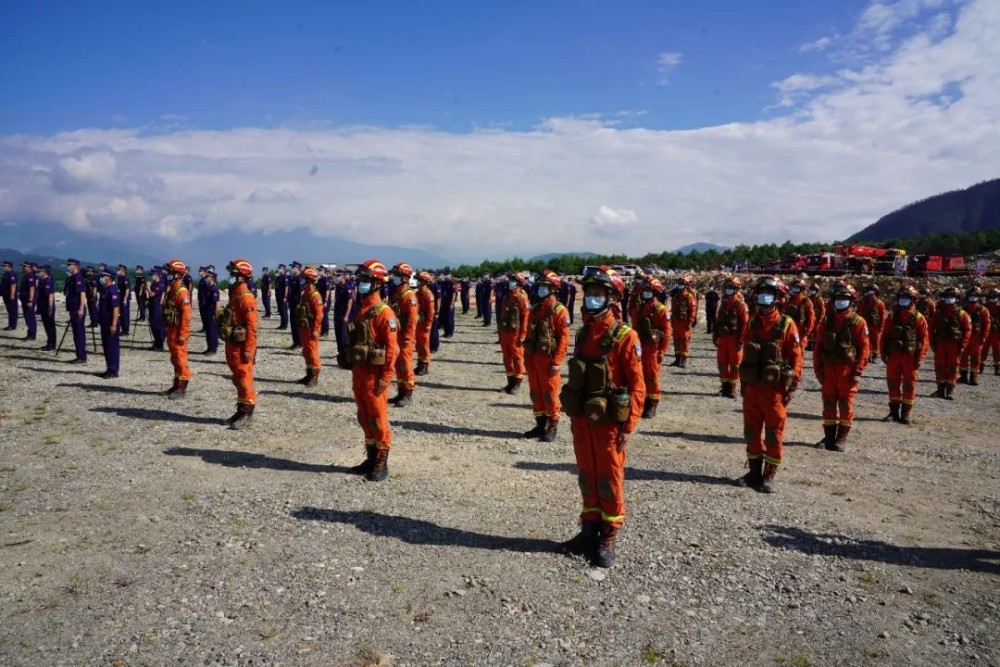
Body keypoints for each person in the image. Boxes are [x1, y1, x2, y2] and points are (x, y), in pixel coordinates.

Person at [558, 266, 644, 568]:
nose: (592, 298)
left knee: (609, 479)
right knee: (587, 476)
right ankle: (588, 530)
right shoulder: (584, 333)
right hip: (583, 421)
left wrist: (628, 425)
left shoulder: (624, 336)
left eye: (598, 293)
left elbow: (637, 385)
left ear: (612, 297)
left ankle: (608, 536)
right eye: (589, 292)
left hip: (609, 425)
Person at [735, 276, 802, 491]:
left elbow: (796, 357)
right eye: (761, 294)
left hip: (774, 390)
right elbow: (746, 354)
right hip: (753, 388)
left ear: (778, 298)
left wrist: (792, 385)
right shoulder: (753, 323)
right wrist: (743, 383)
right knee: (751, 431)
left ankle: (769, 475)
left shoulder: (786, 324)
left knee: (773, 433)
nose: (763, 299)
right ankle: (754, 473)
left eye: (769, 294)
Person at [343, 260, 399, 482]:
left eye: (365, 281)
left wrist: (386, 378)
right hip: (360, 375)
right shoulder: (363, 310)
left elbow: (392, 349)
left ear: (377, 284)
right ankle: (371, 456)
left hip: (375, 377)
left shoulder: (385, 314)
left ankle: (382, 461)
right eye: (360, 280)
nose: (361, 284)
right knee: (364, 418)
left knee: (378, 418)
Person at [812, 282, 869, 451]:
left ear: (851, 301)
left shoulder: (858, 322)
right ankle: (829, 437)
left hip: (847, 371)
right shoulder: (827, 321)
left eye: (845, 298)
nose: (841, 301)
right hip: (829, 369)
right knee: (828, 404)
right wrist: (818, 369)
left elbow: (864, 348)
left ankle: (841, 438)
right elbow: (818, 346)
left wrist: (858, 371)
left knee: (845, 404)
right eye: (838, 298)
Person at [522, 270, 570, 441]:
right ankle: (540, 424)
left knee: (550, 393)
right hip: (533, 359)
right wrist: (526, 357)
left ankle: (552, 425)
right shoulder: (535, 309)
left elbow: (564, 339)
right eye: (540, 286)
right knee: (536, 393)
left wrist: (557, 362)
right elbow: (529, 334)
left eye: (545, 287)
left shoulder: (559, 311)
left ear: (553, 289)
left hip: (548, 361)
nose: (541, 289)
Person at [881, 286, 929, 425]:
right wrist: (883, 353)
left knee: (909, 385)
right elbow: (884, 336)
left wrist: (920, 357)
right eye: (902, 298)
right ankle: (893, 413)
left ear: (913, 300)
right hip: (894, 356)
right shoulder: (892, 316)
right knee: (893, 383)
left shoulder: (919, 318)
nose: (903, 301)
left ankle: (905, 414)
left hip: (911, 357)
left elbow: (924, 339)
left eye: (907, 298)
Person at [220, 259, 259, 429]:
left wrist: (250, 349)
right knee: (238, 378)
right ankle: (241, 408)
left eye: (233, 275)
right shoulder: (235, 295)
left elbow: (252, 327)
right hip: (233, 344)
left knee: (244, 378)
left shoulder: (246, 298)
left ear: (242, 277)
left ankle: (247, 412)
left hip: (242, 346)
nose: (230, 278)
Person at [630, 277, 670, 417]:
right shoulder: (641, 307)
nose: (645, 293)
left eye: (648, 290)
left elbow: (666, 332)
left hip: (653, 349)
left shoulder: (661, 309)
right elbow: (633, 318)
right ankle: (642, 401)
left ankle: (652, 404)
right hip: (640, 347)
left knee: (652, 377)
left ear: (655, 292)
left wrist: (662, 351)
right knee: (639, 375)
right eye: (644, 290)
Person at [929, 287, 971, 400]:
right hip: (940, 344)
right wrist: (932, 343)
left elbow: (967, 330)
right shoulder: (939, 313)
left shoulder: (962, 314)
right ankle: (940, 390)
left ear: (957, 299)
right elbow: (931, 328)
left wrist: (962, 345)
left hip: (954, 345)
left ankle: (950, 391)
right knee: (939, 367)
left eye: (952, 297)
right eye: (947, 297)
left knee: (953, 367)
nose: (949, 300)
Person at [388, 262, 419, 407]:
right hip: (396, 335)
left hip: (405, 336)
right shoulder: (396, 293)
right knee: (398, 364)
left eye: (397, 275)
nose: (394, 277)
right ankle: (401, 390)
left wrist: (408, 337)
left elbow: (412, 320)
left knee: (406, 364)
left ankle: (408, 392)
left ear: (405, 278)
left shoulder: (409, 296)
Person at [713, 276, 749, 399]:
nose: (728, 289)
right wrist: (715, 335)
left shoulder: (741, 305)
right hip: (723, 338)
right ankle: (724, 387)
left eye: (731, 287)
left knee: (735, 365)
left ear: (736, 288)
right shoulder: (723, 303)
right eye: (727, 287)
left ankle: (732, 389)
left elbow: (744, 324)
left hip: (734, 339)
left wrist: (741, 340)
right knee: (722, 364)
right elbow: (718, 320)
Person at [163, 259, 192, 398]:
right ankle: (176, 383)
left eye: (170, 272)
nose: (167, 274)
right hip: (172, 329)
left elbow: (186, 315)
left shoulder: (182, 292)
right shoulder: (173, 289)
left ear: (177, 274)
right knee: (175, 358)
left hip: (179, 330)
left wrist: (182, 334)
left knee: (181, 359)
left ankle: (182, 386)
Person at [499, 272, 530, 394]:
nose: (510, 282)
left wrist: (523, 335)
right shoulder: (507, 297)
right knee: (507, 358)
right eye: (510, 280)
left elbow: (525, 318)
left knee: (517, 359)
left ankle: (517, 383)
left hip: (516, 334)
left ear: (518, 283)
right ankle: (510, 382)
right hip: (505, 332)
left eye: (513, 280)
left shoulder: (522, 298)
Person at [296, 267, 325, 386]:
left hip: (312, 328)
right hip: (304, 327)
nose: (302, 281)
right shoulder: (305, 294)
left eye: (304, 279)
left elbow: (319, 315)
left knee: (313, 352)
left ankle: (315, 376)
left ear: (310, 280)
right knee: (306, 352)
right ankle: (309, 374)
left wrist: (316, 330)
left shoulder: (315, 296)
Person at [958, 286, 991, 386]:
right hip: (965, 337)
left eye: (975, 296)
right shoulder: (962, 309)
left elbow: (987, 324)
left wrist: (984, 337)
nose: (973, 298)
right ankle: (963, 376)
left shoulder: (983, 310)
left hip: (977, 337)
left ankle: (973, 377)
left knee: (975, 357)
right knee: (963, 356)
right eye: (971, 296)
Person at [97, 269, 121, 379]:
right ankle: (109, 368)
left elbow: (116, 309)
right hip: (104, 321)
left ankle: (113, 370)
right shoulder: (105, 290)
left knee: (112, 346)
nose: (102, 278)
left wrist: (114, 324)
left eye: (104, 276)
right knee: (106, 346)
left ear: (109, 278)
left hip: (111, 322)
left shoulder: (113, 290)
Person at [669, 275, 697, 368]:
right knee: (676, 340)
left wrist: (690, 321)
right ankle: (677, 360)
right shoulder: (675, 295)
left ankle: (684, 360)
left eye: (681, 284)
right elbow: (673, 309)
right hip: (676, 321)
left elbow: (692, 310)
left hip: (684, 322)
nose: (679, 285)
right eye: (679, 283)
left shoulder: (689, 296)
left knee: (684, 341)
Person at [63, 259, 88, 363]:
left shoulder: (78, 278)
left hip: (78, 307)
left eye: (70, 265)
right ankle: (79, 355)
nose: (68, 266)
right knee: (76, 332)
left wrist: (81, 308)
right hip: (73, 307)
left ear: (76, 266)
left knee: (79, 332)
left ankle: (81, 357)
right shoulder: (71, 278)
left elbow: (82, 293)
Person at [784, 279, 816, 351]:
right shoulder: (788, 301)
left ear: (802, 289)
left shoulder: (806, 302)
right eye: (794, 287)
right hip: (788, 330)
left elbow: (811, 318)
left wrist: (807, 332)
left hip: (801, 332)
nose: (795, 289)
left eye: (797, 287)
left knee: (799, 351)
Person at [414, 271, 436, 376]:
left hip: (424, 324)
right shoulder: (417, 294)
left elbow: (431, 312)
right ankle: (420, 363)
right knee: (418, 345)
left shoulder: (428, 295)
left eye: (419, 280)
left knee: (424, 345)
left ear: (424, 282)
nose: (417, 282)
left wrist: (428, 325)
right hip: (418, 323)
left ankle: (425, 365)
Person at [857, 284, 886, 364]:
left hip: (875, 326)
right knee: (865, 340)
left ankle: (875, 356)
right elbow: (859, 313)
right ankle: (867, 355)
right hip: (865, 325)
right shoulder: (862, 303)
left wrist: (881, 326)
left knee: (876, 341)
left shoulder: (880, 304)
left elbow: (882, 316)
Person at [36, 264, 57, 350]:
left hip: (47, 306)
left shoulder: (48, 281)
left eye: (40, 271)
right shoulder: (42, 280)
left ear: (45, 272)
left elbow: (50, 295)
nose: (38, 273)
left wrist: (50, 307)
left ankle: (52, 344)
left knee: (50, 326)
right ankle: (49, 343)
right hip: (43, 305)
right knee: (47, 326)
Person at [201, 270, 221, 354]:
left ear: (212, 278)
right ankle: (209, 348)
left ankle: (213, 348)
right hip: (207, 312)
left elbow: (217, 302)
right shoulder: (208, 288)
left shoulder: (214, 289)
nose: (206, 278)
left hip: (212, 312)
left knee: (212, 331)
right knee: (208, 331)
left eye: (208, 277)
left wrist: (216, 314)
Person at [148, 267, 166, 351]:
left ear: (157, 275)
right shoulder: (154, 283)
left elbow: (152, 294)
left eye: (153, 274)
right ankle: (156, 343)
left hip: (157, 307)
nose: (152, 275)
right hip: (152, 305)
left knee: (157, 326)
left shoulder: (160, 284)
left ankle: (159, 344)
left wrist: (147, 287)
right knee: (153, 325)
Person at [18, 261, 38, 341]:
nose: (23, 268)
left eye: (24, 266)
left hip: (28, 300)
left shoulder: (30, 276)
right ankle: (30, 334)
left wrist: (30, 300)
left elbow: (31, 289)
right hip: (24, 300)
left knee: (30, 317)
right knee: (27, 317)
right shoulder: (26, 276)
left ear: (29, 267)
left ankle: (32, 335)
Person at [287, 262, 304, 350]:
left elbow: (301, 293)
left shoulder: (299, 279)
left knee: (297, 324)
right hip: (292, 304)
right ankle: (295, 342)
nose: (292, 268)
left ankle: (299, 343)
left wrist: (300, 305)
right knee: (293, 324)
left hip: (297, 305)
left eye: (294, 267)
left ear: (298, 269)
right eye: (292, 267)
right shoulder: (292, 278)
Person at [806, 283, 826, 351]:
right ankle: (809, 344)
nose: (812, 291)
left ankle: (816, 345)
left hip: (817, 318)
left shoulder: (819, 299)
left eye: (813, 289)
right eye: (811, 289)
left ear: (816, 290)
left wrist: (820, 320)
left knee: (816, 332)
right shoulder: (808, 299)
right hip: (810, 317)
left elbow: (822, 311)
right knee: (809, 331)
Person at [986, 288, 1000, 376]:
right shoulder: (985, 307)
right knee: (983, 350)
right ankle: (980, 367)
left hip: (997, 332)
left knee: (997, 351)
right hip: (987, 332)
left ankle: (997, 368)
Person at [2, 259, 18, 331]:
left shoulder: (11, 274)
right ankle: (10, 324)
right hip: (6, 295)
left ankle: (13, 325)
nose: (3, 267)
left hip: (10, 296)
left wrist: (12, 295)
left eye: (4, 266)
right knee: (9, 311)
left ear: (9, 266)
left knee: (12, 311)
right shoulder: (6, 274)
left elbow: (13, 285)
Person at [116, 265, 131, 336]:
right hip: (120, 297)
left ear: (123, 270)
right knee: (121, 314)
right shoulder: (120, 278)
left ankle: (126, 330)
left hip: (125, 298)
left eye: (119, 269)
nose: (118, 271)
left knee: (125, 314)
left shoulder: (125, 278)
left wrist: (125, 298)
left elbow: (127, 289)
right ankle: (123, 329)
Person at [317, 266, 332, 337]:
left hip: (325, 301)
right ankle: (322, 330)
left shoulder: (326, 280)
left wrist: (325, 301)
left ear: (324, 271)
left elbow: (327, 291)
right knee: (321, 315)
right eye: (319, 270)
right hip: (320, 300)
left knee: (325, 316)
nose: (319, 271)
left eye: (320, 270)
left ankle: (325, 331)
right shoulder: (320, 280)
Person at [274, 264, 290, 330]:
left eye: (280, 268)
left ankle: (285, 325)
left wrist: (285, 296)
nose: (279, 269)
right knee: (280, 310)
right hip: (278, 296)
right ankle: (282, 324)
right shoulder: (278, 277)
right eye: (278, 268)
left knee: (284, 311)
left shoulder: (285, 277)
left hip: (283, 297)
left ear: (283, 269)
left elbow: (286, 287)